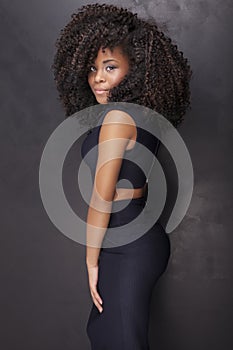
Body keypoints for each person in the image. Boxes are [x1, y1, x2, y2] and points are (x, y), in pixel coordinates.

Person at [52, 3, 192, 349]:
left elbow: (103, 196)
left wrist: (90, 260)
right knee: (107, 334)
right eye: (92, 68)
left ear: (135, 71)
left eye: (110, 67)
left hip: (129, 245)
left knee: (122, 339)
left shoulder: (117, 118)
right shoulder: (139, 115)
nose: (98, 77)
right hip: (131, 238)